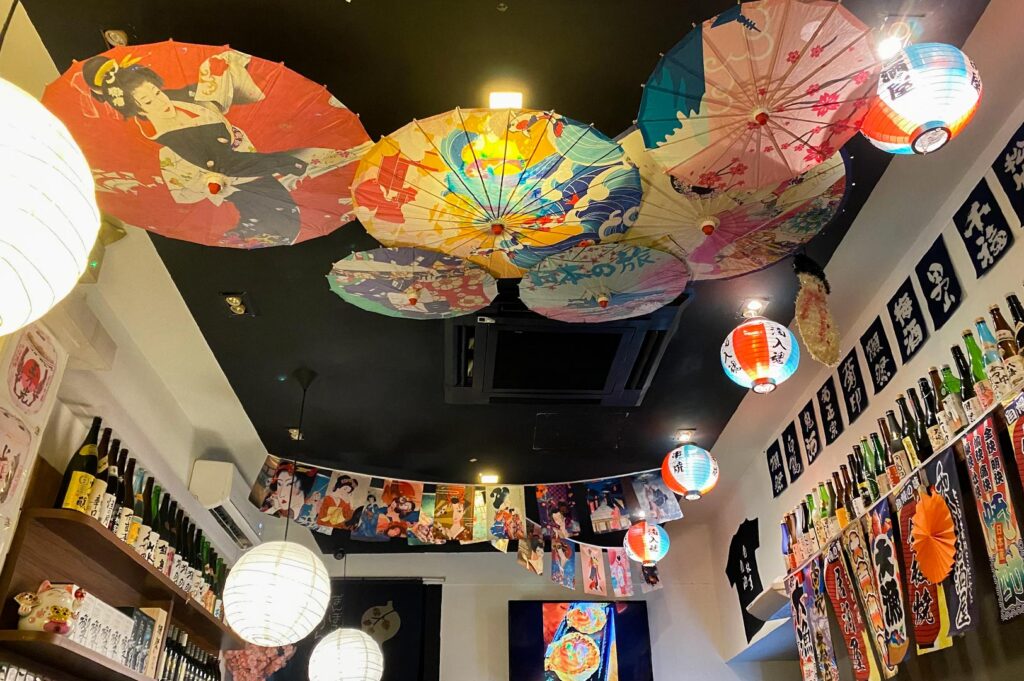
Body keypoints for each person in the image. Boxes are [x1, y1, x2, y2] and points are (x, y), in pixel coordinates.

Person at [80, 50, 358, 247]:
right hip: (249, 182)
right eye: (149, 102)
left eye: (156, 92)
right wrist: (285, 163)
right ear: (138, 111)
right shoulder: (174, 139)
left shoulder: (174, 101)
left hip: (256, 166)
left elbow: (195, 93)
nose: (160, 100)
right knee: (284, 213)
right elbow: (228, 164)